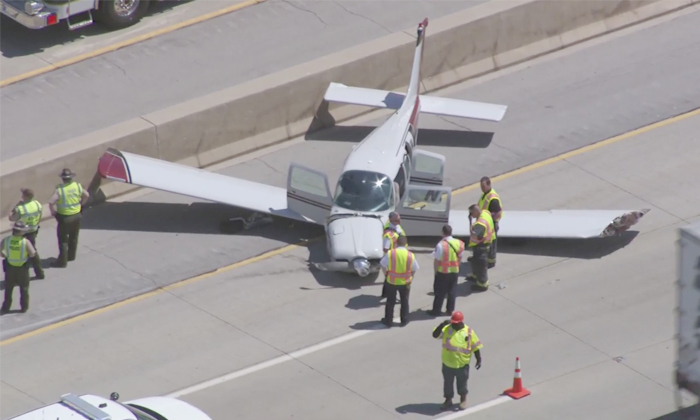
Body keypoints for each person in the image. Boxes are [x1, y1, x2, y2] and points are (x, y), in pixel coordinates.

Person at [432, 311, 483, 411]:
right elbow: (435, 335)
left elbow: (475, 346)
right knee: (447, 384)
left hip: (462, 364)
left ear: (460, 322)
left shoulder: (468, 332)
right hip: (447, 363)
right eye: (452, 322)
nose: (453, 324)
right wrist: (442, 324)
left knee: (462, 383)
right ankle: (448, 400)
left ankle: (463, 400)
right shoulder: (447, 329)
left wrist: (478, 359)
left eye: (455, 323)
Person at [48, 168, 89, 268]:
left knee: (63, 240)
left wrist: (53, 212)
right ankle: (71, 256)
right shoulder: (77, 186)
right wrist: (81, 204)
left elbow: (51, 202)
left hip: (65, 217)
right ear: (71, 178)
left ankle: (62, 262)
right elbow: (87, 195)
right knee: (73, 237)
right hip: (77, 215)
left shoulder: (60, 189)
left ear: (62, 179)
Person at [380, 235, 418, 327]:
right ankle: (404, 320)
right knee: (404, 302)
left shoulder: (391, 253)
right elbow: (414, 268)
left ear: (396, 243)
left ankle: (388, 321)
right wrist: (411, 278)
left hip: (391, 282)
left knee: (390, 302)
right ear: (405, 244)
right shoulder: (410, 255)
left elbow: (382, 264)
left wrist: (386, 274)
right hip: (405, 282)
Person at [428, 224, 465, 316]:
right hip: (454, 271)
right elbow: (460, 257)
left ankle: (436, 311)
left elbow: (437, 261)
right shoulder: (459, 243)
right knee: (452, 292)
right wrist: (457, 267)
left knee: (440, 293)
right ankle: (450, 310)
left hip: (443, 272)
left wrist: (435, 272)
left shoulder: (441, 245)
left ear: (443, 233)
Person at [8, 188, 45, 279]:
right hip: (33, 231)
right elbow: (39, 217)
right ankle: (39, 273)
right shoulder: (37, 204)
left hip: (22, 232)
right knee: (32, 250)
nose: (21, 197)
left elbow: (12, 218)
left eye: (23, 195)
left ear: (26, 196)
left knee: (22, 253)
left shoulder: (21, 208)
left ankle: (21, 275)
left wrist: (12, 210)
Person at [1, 221, 36, 314]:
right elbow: (32, 254)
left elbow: (0, 252)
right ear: (20, 232)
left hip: (9, 268)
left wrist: (6, 256)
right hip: (22, 269)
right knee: (24, 288)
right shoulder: (25, 242)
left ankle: (6, 307)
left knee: (8, 289)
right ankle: (24, 307)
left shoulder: (6, 240)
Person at [465, 204, 494, 290]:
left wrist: (470, 222)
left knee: (481, 265)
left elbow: (474, 235)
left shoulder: (480, 224)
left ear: (475, 212)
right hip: (484, 244)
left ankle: (482, 284)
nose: (471, 216)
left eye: (471, 213)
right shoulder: (485, 213)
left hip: (481, 246)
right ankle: (475, 276)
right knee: (475, 262)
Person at [381, 212, 407, 303]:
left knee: (389, 277)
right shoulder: (388, 234)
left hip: (399, 254)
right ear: (391, 220)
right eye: (397, 219)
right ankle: (390, 295)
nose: (399, 221)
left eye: (399, 218)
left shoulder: (396, 226)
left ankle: (385, 293)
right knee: (391, 278)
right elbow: (385, 248)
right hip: (393, 258)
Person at [477, 177, 503, 268]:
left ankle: (491, 261)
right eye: (481, 186)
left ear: (489, 184)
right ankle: (483, 258)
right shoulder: (485, 194)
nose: (482, 188)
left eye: (483, 186)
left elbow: (498, 213)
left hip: (491, 225)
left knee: (491, 243)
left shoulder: (493, 198)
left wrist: (490, 222)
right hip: (484, 224)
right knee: (484, 243)